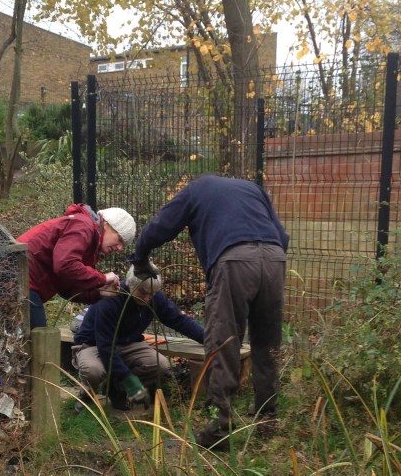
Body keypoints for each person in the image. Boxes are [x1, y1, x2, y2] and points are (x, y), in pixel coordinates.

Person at [129, 174, 289, 448]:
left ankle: (218, 426)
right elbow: (282, 235)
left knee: (223, 342)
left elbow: (160, 226)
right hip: (275, 258)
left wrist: (140, 257)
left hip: (234, 260)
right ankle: (267, 421)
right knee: (267, 344)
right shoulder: (253, 189)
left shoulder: (196, 190)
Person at [71, 265, 204, 412]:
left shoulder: (154, 297)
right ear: (130, 284)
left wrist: (208, 339)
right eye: (143, 292)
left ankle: (117, 389)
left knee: (161, 365)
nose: (147, 298)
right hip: (94, 344)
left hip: (128, 342)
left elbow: (179, 320)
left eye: (152, 293)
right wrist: (130, 380)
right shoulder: (111, 298)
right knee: (93, 371)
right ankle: (89, 392)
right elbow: (106, 347)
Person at [17, 204, 136, 328]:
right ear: (106, 224)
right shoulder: (83, 225)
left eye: (124, 245)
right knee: (40, 338)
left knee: (32, 338)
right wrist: (103, 278)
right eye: (120, 239)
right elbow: (65, 265)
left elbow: (67, 289)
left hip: (25, 284)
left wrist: (100, 293)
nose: (120, 248)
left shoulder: (90, 248)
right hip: (19, 278)